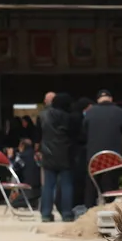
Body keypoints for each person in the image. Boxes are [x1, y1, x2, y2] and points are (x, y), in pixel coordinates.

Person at [82, 90, 122, 207]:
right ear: (111, 99)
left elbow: (83, 133)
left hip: (94, 157)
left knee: (92, 185)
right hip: (113, 157)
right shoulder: (119, 112)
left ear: (98, 100)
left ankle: (90, 210)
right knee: (111, 183)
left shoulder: (90, 112)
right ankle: (110, 208)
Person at [39, 92, 74, 222]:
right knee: (66, 185)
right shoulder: (68, 117)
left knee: (48, 185)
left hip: (48, 153)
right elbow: (73, 135)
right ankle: (67, 213)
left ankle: (46, 214)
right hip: (65, 154)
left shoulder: (43, 116)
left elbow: (38, 134)